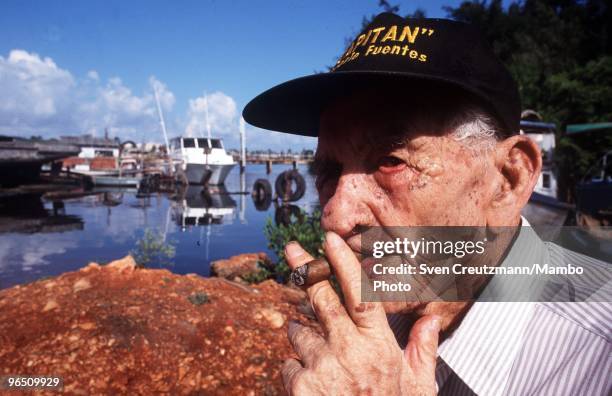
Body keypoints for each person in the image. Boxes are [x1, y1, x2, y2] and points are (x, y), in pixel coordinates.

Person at [243, 12, 611, 396]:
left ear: (507, 181)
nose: (336, 216)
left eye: (391, 161)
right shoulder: (377, 320)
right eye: (328, 171)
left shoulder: (599, 358)